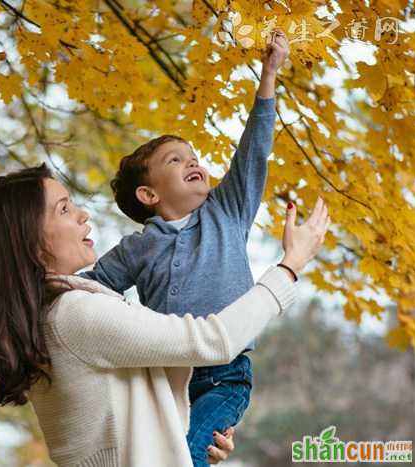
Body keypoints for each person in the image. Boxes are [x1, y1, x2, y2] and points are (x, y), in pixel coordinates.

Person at [0, 164, 329, 466]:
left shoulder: (50, 317)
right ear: (30, 240)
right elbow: (212, 340)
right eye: (64, 209)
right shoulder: (74, 314)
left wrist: (187, 438)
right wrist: (290, 266)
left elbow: (121, 425)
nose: (83, 214)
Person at [80, 29, 294, 466]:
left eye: (193, 156)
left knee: (190, 453)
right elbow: (90, 291)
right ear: (148, 195)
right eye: (175, 160)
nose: (192, 161)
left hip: (225, 374)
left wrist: (268, 77)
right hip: (164, 376)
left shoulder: (227, 212)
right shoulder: (136, 249)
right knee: (158, 450)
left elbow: (253, 152)